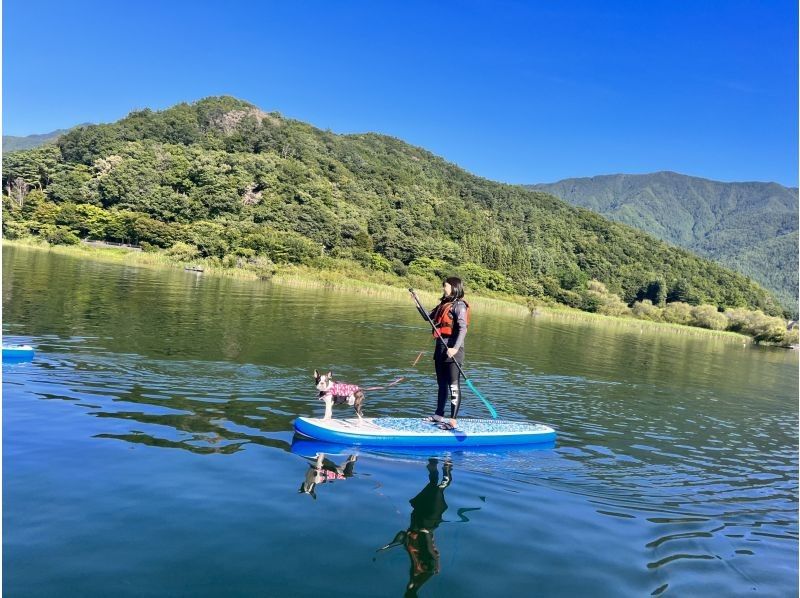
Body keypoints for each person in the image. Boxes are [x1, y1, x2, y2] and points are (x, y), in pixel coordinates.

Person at [414, 277, 470, 430]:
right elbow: (427, 317)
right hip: (440, 348)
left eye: (445, 286)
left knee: (453, 386)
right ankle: (439, 415)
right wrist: (417, 301)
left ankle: (452, 420)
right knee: (441, 384)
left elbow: (463, 328)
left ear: (453, 287)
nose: (443, 288)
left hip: (453, 351)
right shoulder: (443, 305)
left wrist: (455, 348)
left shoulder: (459, 306)